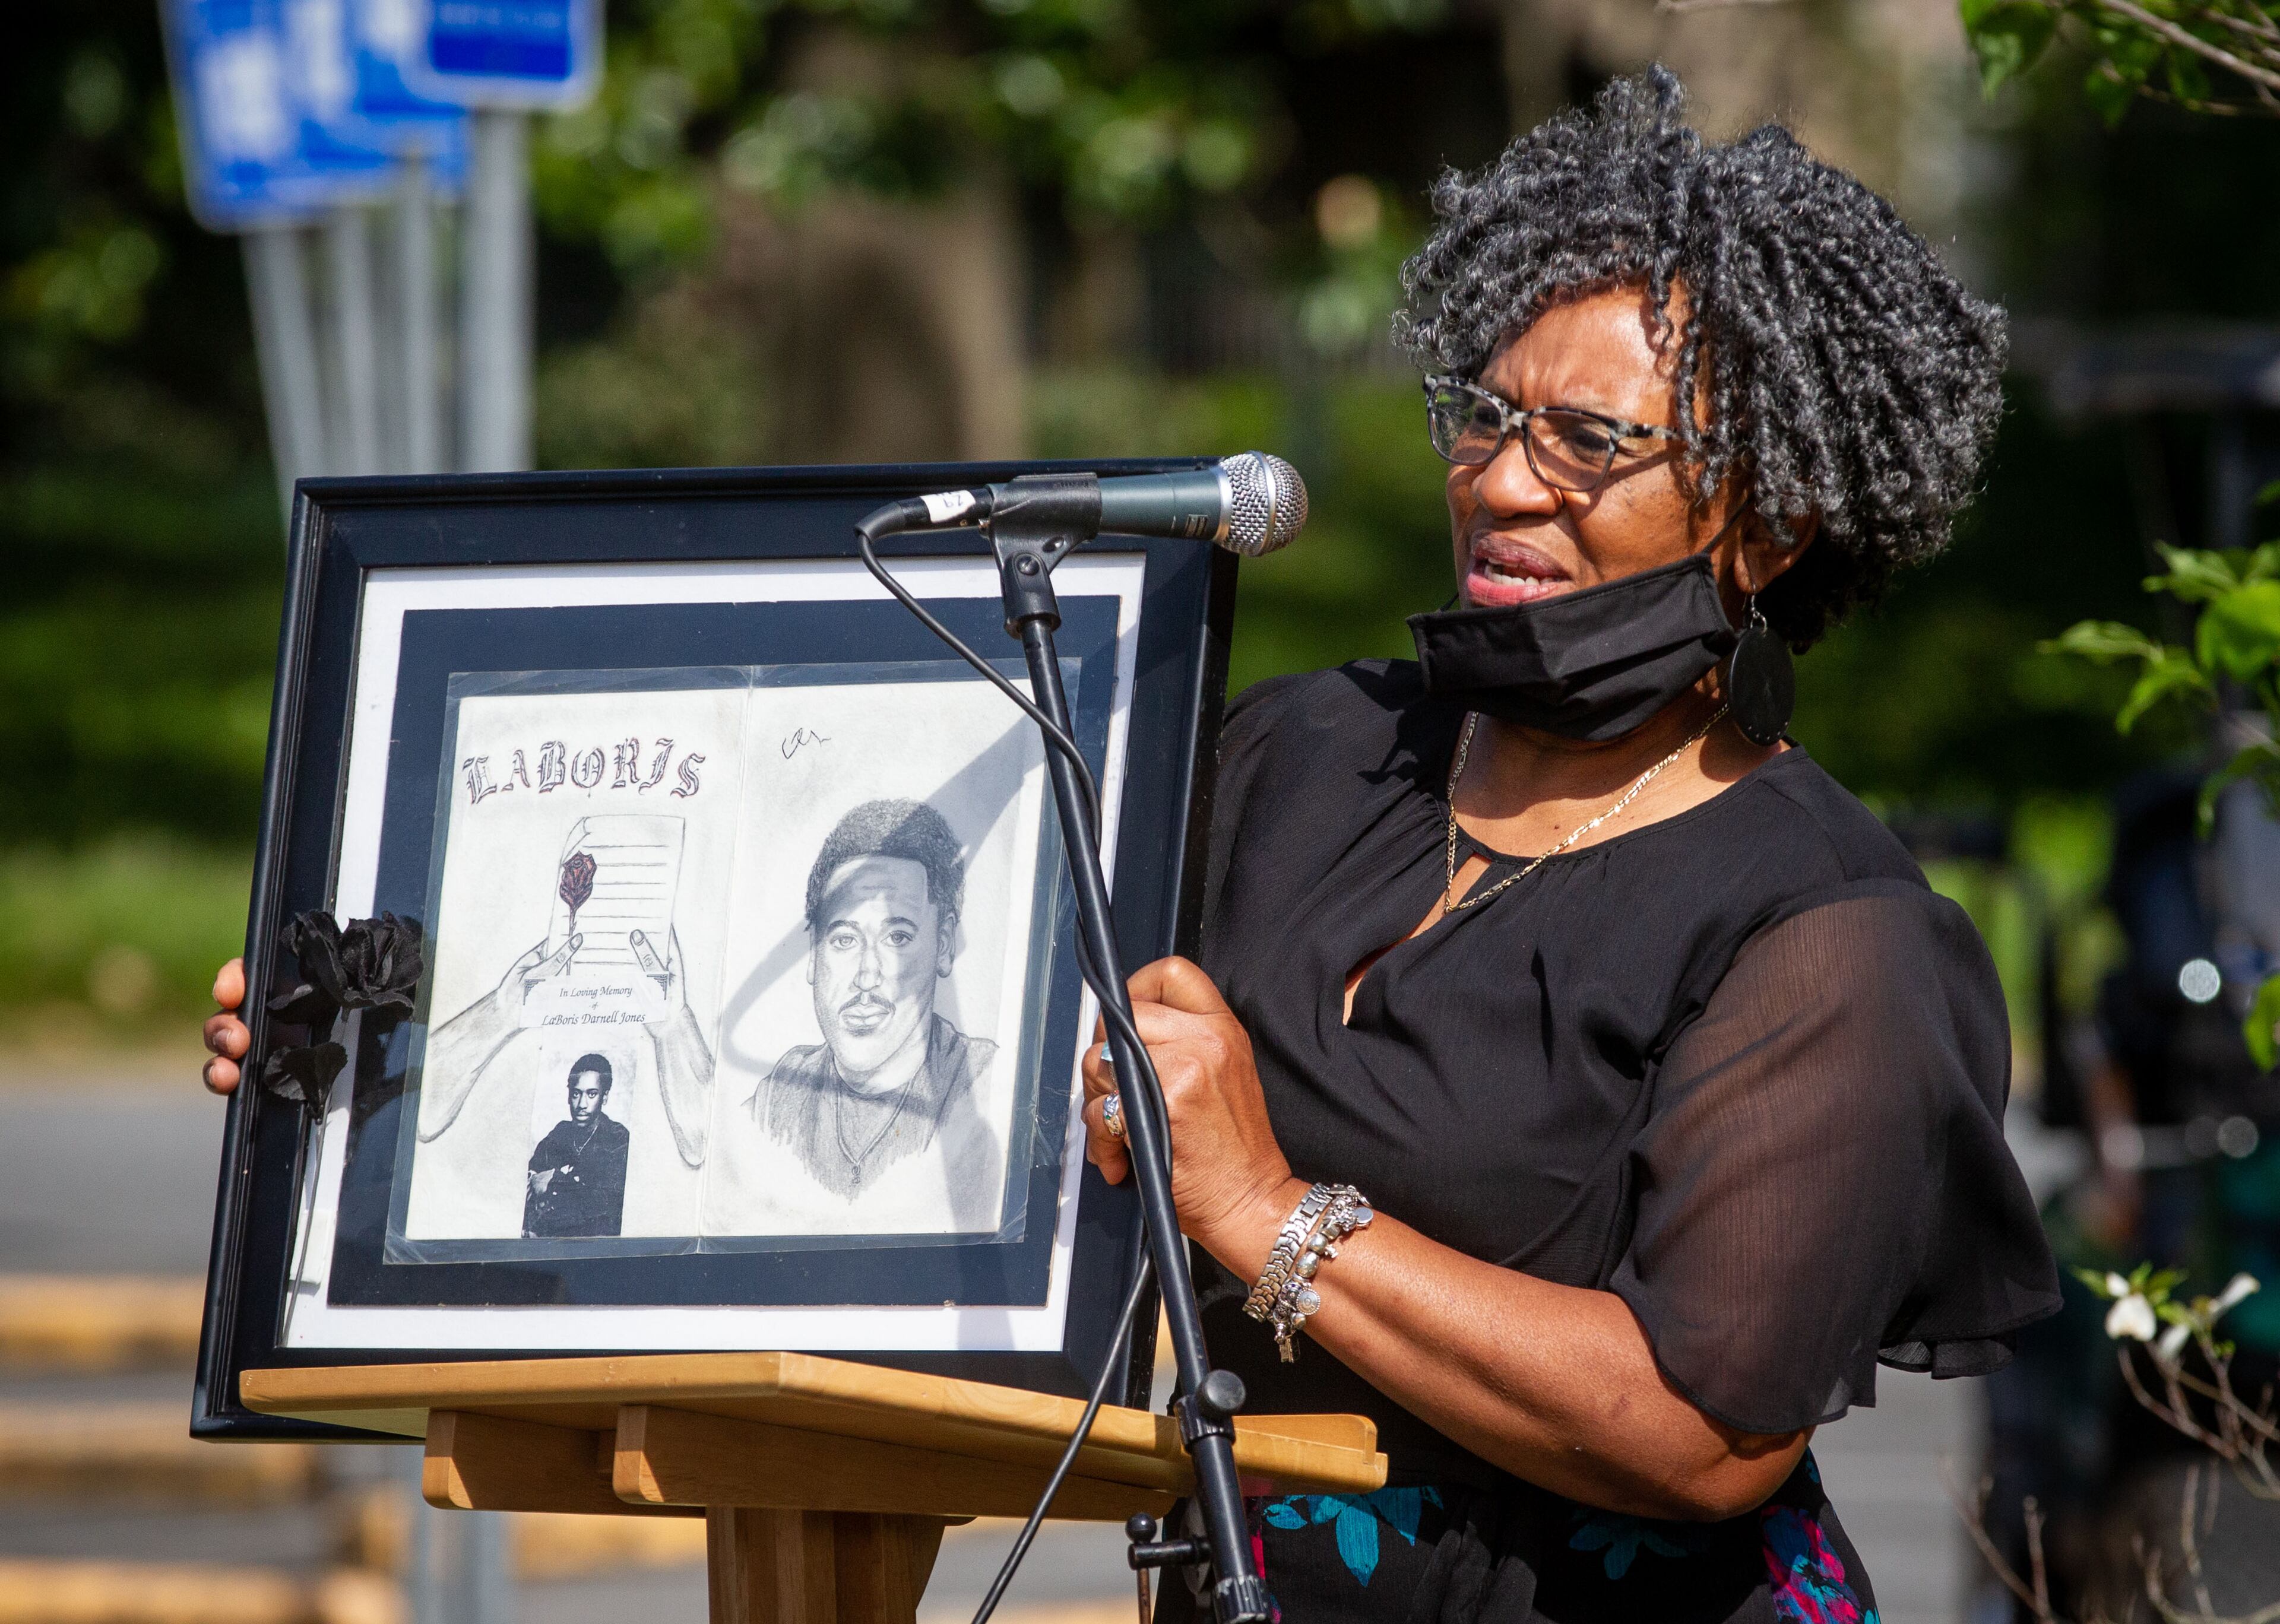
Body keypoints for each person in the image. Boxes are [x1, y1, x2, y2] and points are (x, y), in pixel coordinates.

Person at [204, 67, 2062, 1622]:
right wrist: (391, 1066)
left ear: (1776, 510)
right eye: (1479, 415)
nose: (1498, 481)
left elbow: (1694, 1426)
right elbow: (979, 1077)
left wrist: (1264, 1216)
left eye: (1585, 441)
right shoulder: (1309, 759)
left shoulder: (1824, 933)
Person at [755, 798, 999, 1204]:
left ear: (943, 946)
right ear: (814, 955)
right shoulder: (782, 1094)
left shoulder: (986, 1083)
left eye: (897, 938)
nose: (867, 975)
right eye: (844, 940)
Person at [523, 1053, 630, 1238]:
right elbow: (531, 1175)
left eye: (592, 1094)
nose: (582, 1104)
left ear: (604, 1097)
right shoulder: (561, 1132)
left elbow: (607, 1204)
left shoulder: (618, 1139)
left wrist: (554, 1179)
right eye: (576, 1094)